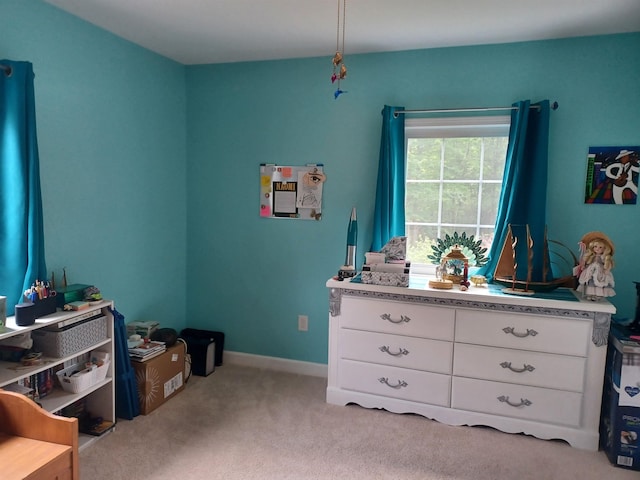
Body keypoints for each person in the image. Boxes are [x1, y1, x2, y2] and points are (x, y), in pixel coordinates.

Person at [575, 232, 615, 300]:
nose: (597, 249)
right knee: (590, 281)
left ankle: (597, 295)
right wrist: (583, 266)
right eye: (595, 247)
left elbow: (608, 264)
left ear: (605, 249)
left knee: (598, 281)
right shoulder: (591, 256)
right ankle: (590, 294)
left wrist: (606, 270)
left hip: (600, 272)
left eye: (600, 247)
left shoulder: (604, 257)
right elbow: (586, 262)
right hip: (591, 270)